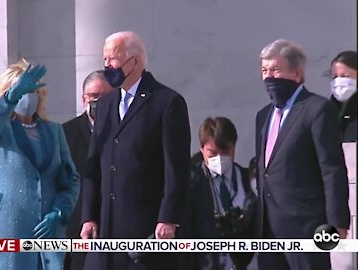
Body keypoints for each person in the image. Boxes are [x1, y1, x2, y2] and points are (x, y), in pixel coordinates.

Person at [80, 31, 191, 270]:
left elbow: (177, 168)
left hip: (144, 225)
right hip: (106, 228)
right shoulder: (105, 104)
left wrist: (168, 217)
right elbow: (94, 163)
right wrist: (89, 215)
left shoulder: (166, 102)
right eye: (105, 59)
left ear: (135, 61)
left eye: (113, 58)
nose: (107, 65)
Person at [255, 39, 349, 270]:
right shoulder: (263, 115)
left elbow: (332, 168)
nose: (269, 77)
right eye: (265, 71)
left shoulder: (317, 109)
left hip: (306, 226)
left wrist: (337, 222)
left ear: (296, 74)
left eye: (276, 70)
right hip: (268, 229)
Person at [0, 59, 80, 270]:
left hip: (47, 232)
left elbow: (71, 180)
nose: (28, 96)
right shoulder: (2, 130)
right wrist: (12, 96)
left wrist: (59, 212)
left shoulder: (54, 131)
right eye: (22, 90)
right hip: (10, 226)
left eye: (32, 90)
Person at [181, 117, 256, 270]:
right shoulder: (190, 183)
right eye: (212, 153)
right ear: (202, 150)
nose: (219, 159)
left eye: (226, 151)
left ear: (234, 147)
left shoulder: (248, 179)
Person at [62, 70, 113, 270]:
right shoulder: (65, 134)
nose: (100, 102)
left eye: (106, 97)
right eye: (94, 97)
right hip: (76, 231)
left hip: (114, 228)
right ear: (84, 100)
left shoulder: (125, 133)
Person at [328, 50, 357, 270]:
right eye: (335, 77)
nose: (339, 82)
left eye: (345, 75)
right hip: (337, 212)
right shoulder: (326, 115)